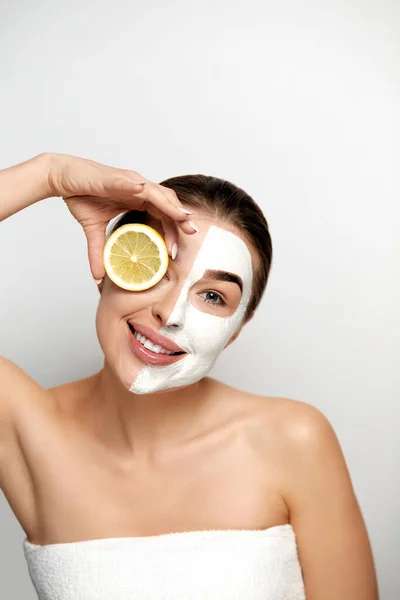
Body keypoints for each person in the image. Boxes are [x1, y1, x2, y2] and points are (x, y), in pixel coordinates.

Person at [0, 153, 379, 599]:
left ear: (236, 330)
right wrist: (49, 175)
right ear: (107, 266)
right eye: (156, 267)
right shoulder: (25, 427)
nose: (170, 313)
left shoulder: (293, 439)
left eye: (214, 296)